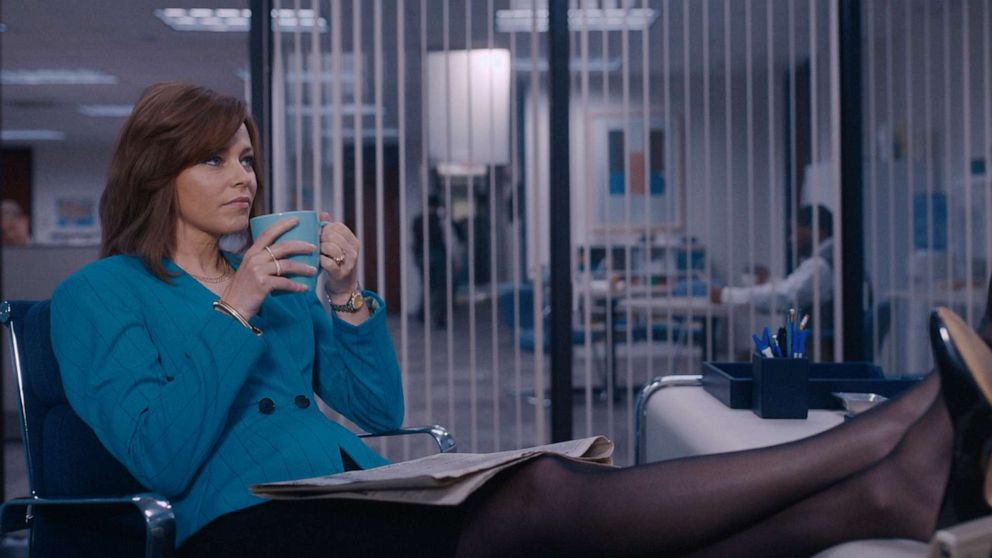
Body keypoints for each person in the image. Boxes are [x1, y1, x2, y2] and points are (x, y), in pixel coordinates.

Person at [50, 82, 989, 557]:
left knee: (552, 513)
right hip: (242, 530)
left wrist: (345, 298)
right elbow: (160, 453)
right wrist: (238, 303)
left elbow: (377, 409)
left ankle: (885, 494)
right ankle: (883, 440)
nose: (246, 179)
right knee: (541, 493)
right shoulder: (99, 296)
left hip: (358, 491)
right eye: (216, 161)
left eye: (249, 159)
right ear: (156, 171)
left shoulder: (275, 273)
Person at [710, 204, 835, 358]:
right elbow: (794, 289)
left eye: (795, 231)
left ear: (815, 230)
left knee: (746, 358)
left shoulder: (820, 265)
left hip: (816, 348)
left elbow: (785, 297)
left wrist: (726, 295)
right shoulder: (831, 257)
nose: (792, 239)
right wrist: (769, 282)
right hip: (815, 342)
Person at [412, 193, 448, 328]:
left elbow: (415, 241)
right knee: (440, 288)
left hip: (422, 256)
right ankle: (438, 317)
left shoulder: (418, 220)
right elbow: (443, 239)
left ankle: (423, 313)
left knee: (427, 286)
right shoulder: (438, 220)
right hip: (437, 255)